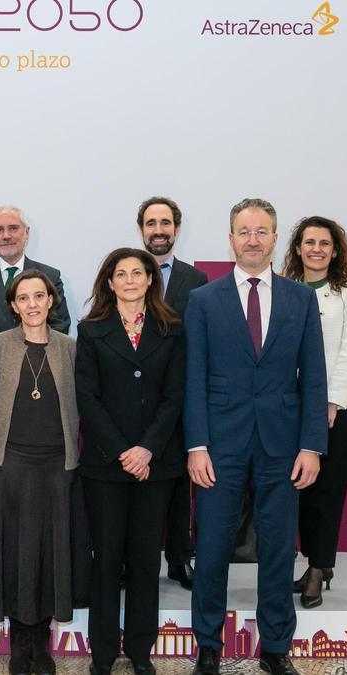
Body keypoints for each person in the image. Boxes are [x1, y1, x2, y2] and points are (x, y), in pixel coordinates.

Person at [184, 198, 327, 675]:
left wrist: (311, 446)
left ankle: (275, 648)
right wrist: (196, 445)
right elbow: (194, 376)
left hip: (283, 445)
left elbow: (315, 378)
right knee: (211, 548)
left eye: (262, 231)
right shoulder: (204, 300)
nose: (252, 239)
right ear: (230, 238)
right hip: (219, 445)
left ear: (274, 238)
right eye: (243, 231)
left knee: (278, 546)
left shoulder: (300, 298)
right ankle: (207, 644)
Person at [0, 269, 87, 675]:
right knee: (14, 555)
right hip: (9, 465)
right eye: (24, 298)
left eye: (40, 296)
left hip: (58, 467)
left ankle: (43, 644)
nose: (33, 304)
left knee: (51, 556)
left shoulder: (70, 348)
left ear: (51, 301)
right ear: (13, 305)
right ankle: (19, 644)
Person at [76, 248, 186, 675]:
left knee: (144, 559)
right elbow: (87, 397)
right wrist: (123, 451)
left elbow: (175, 396)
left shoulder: (171, 329)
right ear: (109, 282)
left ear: (149, 279)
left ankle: (141, 650)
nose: (128, 280)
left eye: (136, 273)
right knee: (104, 560)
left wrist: (147, 450)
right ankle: (102, 653)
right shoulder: (92, 331)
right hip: (106, 466)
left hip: (156, 466)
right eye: (120, 274)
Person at [281, 216, 347, 608]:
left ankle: (319, 568)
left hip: (341, 406)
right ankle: (314, 560)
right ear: (298, 248)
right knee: (301, 488)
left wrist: (329, 402)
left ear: (335, 251)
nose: (316, 249)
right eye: (309, 242)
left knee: (328, 489)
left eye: (324, 243)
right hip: (292, 405)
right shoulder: (285, 289)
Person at [136, 196, 208, 591]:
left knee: (180, 483)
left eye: (165, 223)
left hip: (177, 394)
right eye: (151, 223)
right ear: (141, 229)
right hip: (132, 396)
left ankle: (180, 558)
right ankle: (133, 560)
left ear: (176, 229)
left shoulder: (194, 282)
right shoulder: (126, 272)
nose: (158, 230)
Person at [0, 206, 72, 334]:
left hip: (38, 353)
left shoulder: (50, 276)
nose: (6, 236)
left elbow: (60, 326)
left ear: (27, 232)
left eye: (13, 228)